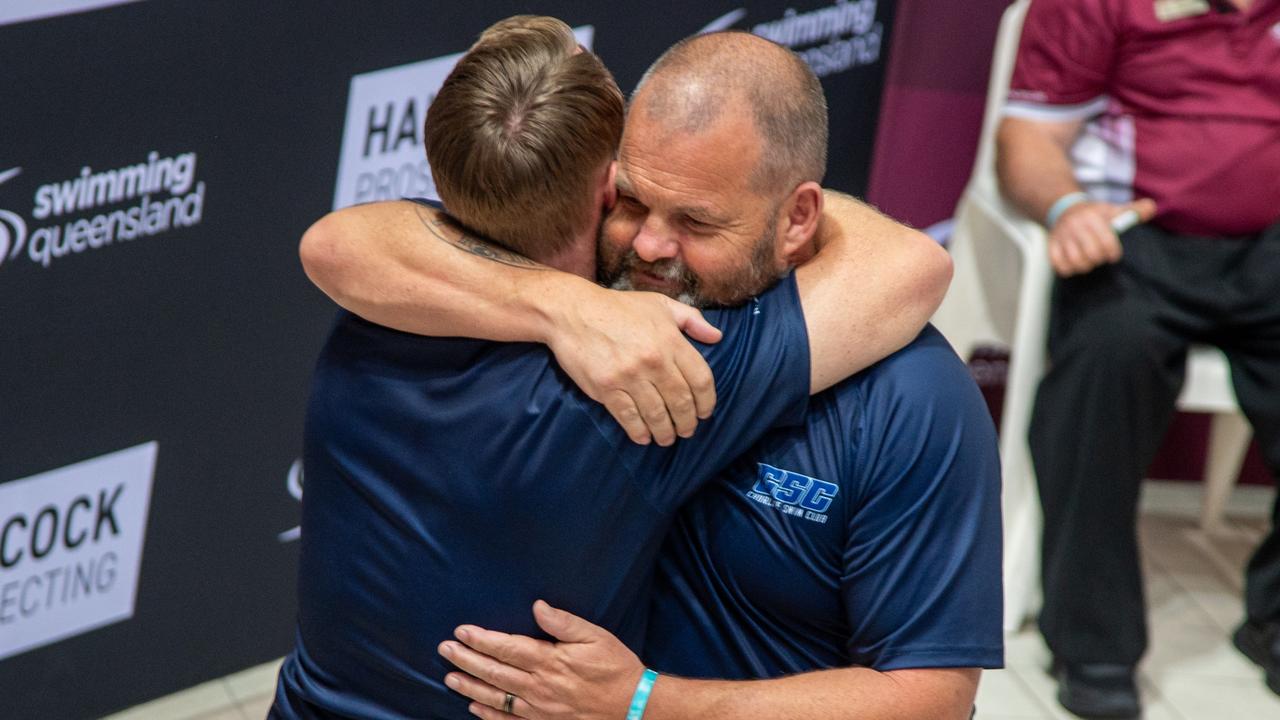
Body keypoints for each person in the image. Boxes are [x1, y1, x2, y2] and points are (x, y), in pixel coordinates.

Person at [306, 26, 1003, 720]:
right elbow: (345, 243)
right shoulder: (527, 326)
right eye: (633, 201)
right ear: (603, 182)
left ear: (797, 218)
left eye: (698, 222)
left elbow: (932, 700)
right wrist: (564, 305)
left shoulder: (909, 395)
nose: (649, 245)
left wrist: (645, 702)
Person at [995, 0, 1280, 716]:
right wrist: (1067, 209)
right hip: (1132, 234)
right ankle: (1093, 648)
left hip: (1271, 248)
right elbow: (1029, 136)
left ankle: (1274, 621)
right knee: (1104, 364)